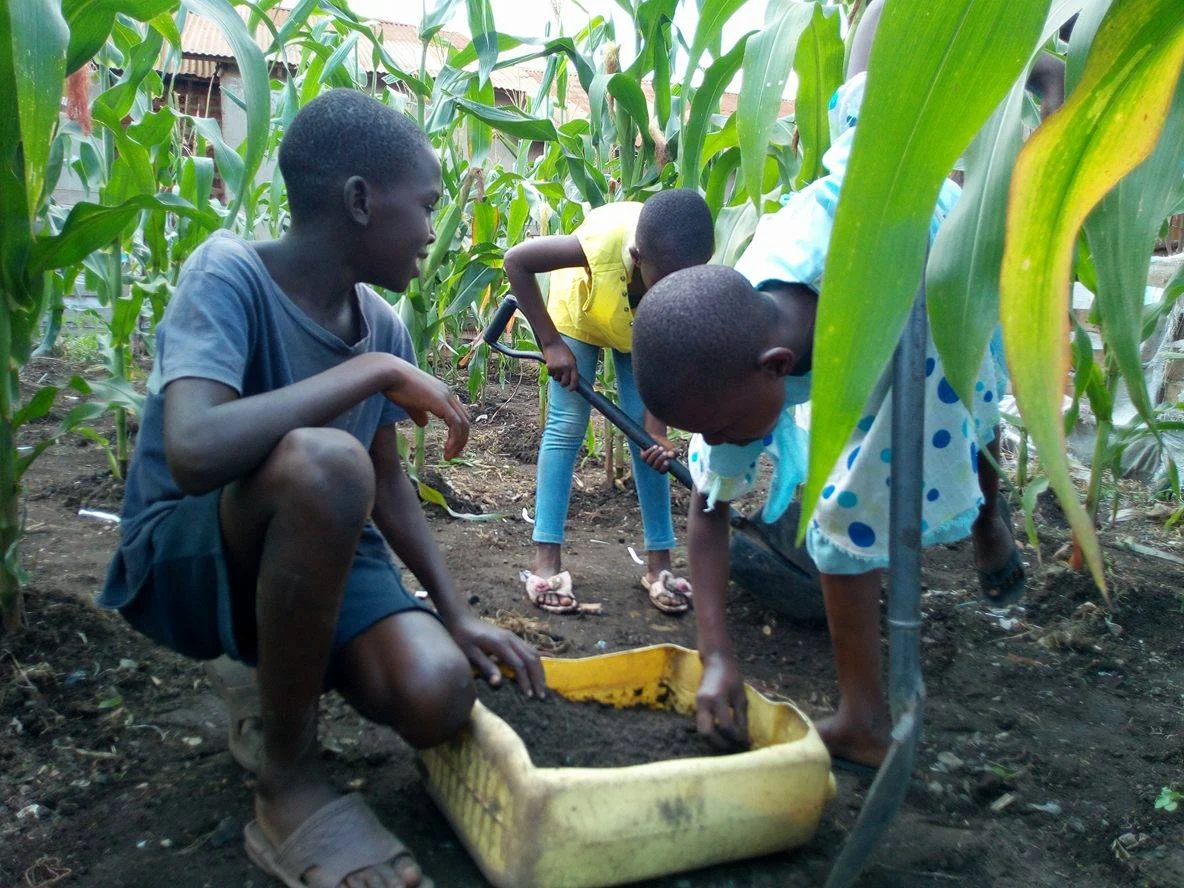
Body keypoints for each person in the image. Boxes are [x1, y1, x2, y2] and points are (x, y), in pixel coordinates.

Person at [99, 89, 545, 888]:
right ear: (362, 201)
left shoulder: (383, 322)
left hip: (315, 544)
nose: (435, 231)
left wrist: (455, 613)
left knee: (435, 695)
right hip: (187, 557)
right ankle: (288, 779)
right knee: (325, 466)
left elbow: (386, 480)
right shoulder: (228, 276)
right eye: (428, 206)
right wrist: (367, 372)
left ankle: (270, 673)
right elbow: (196, 450)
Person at [631, 2, 1024, 772]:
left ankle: (866, 718)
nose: (717, 446)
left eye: (723, 432)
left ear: (777, 371)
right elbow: (709, 509)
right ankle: (986, 525)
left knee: (842, 531)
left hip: (936, 287)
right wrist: (715, 654)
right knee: (869, 76)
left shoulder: (800, 315)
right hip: (861, 258)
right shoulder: (737, 343)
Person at [503, 189, 715, 615]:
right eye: (667, 277)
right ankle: (547, 563)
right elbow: (516, 261)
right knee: (565, 427)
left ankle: (659, 566)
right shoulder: (599, 245)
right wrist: (550, 343)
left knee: (647, 440)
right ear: (638, 256)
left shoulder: (678, 275)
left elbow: (664, 365)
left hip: (640, 328)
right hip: (581, 312)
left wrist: (655, 428)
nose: (679, 287)